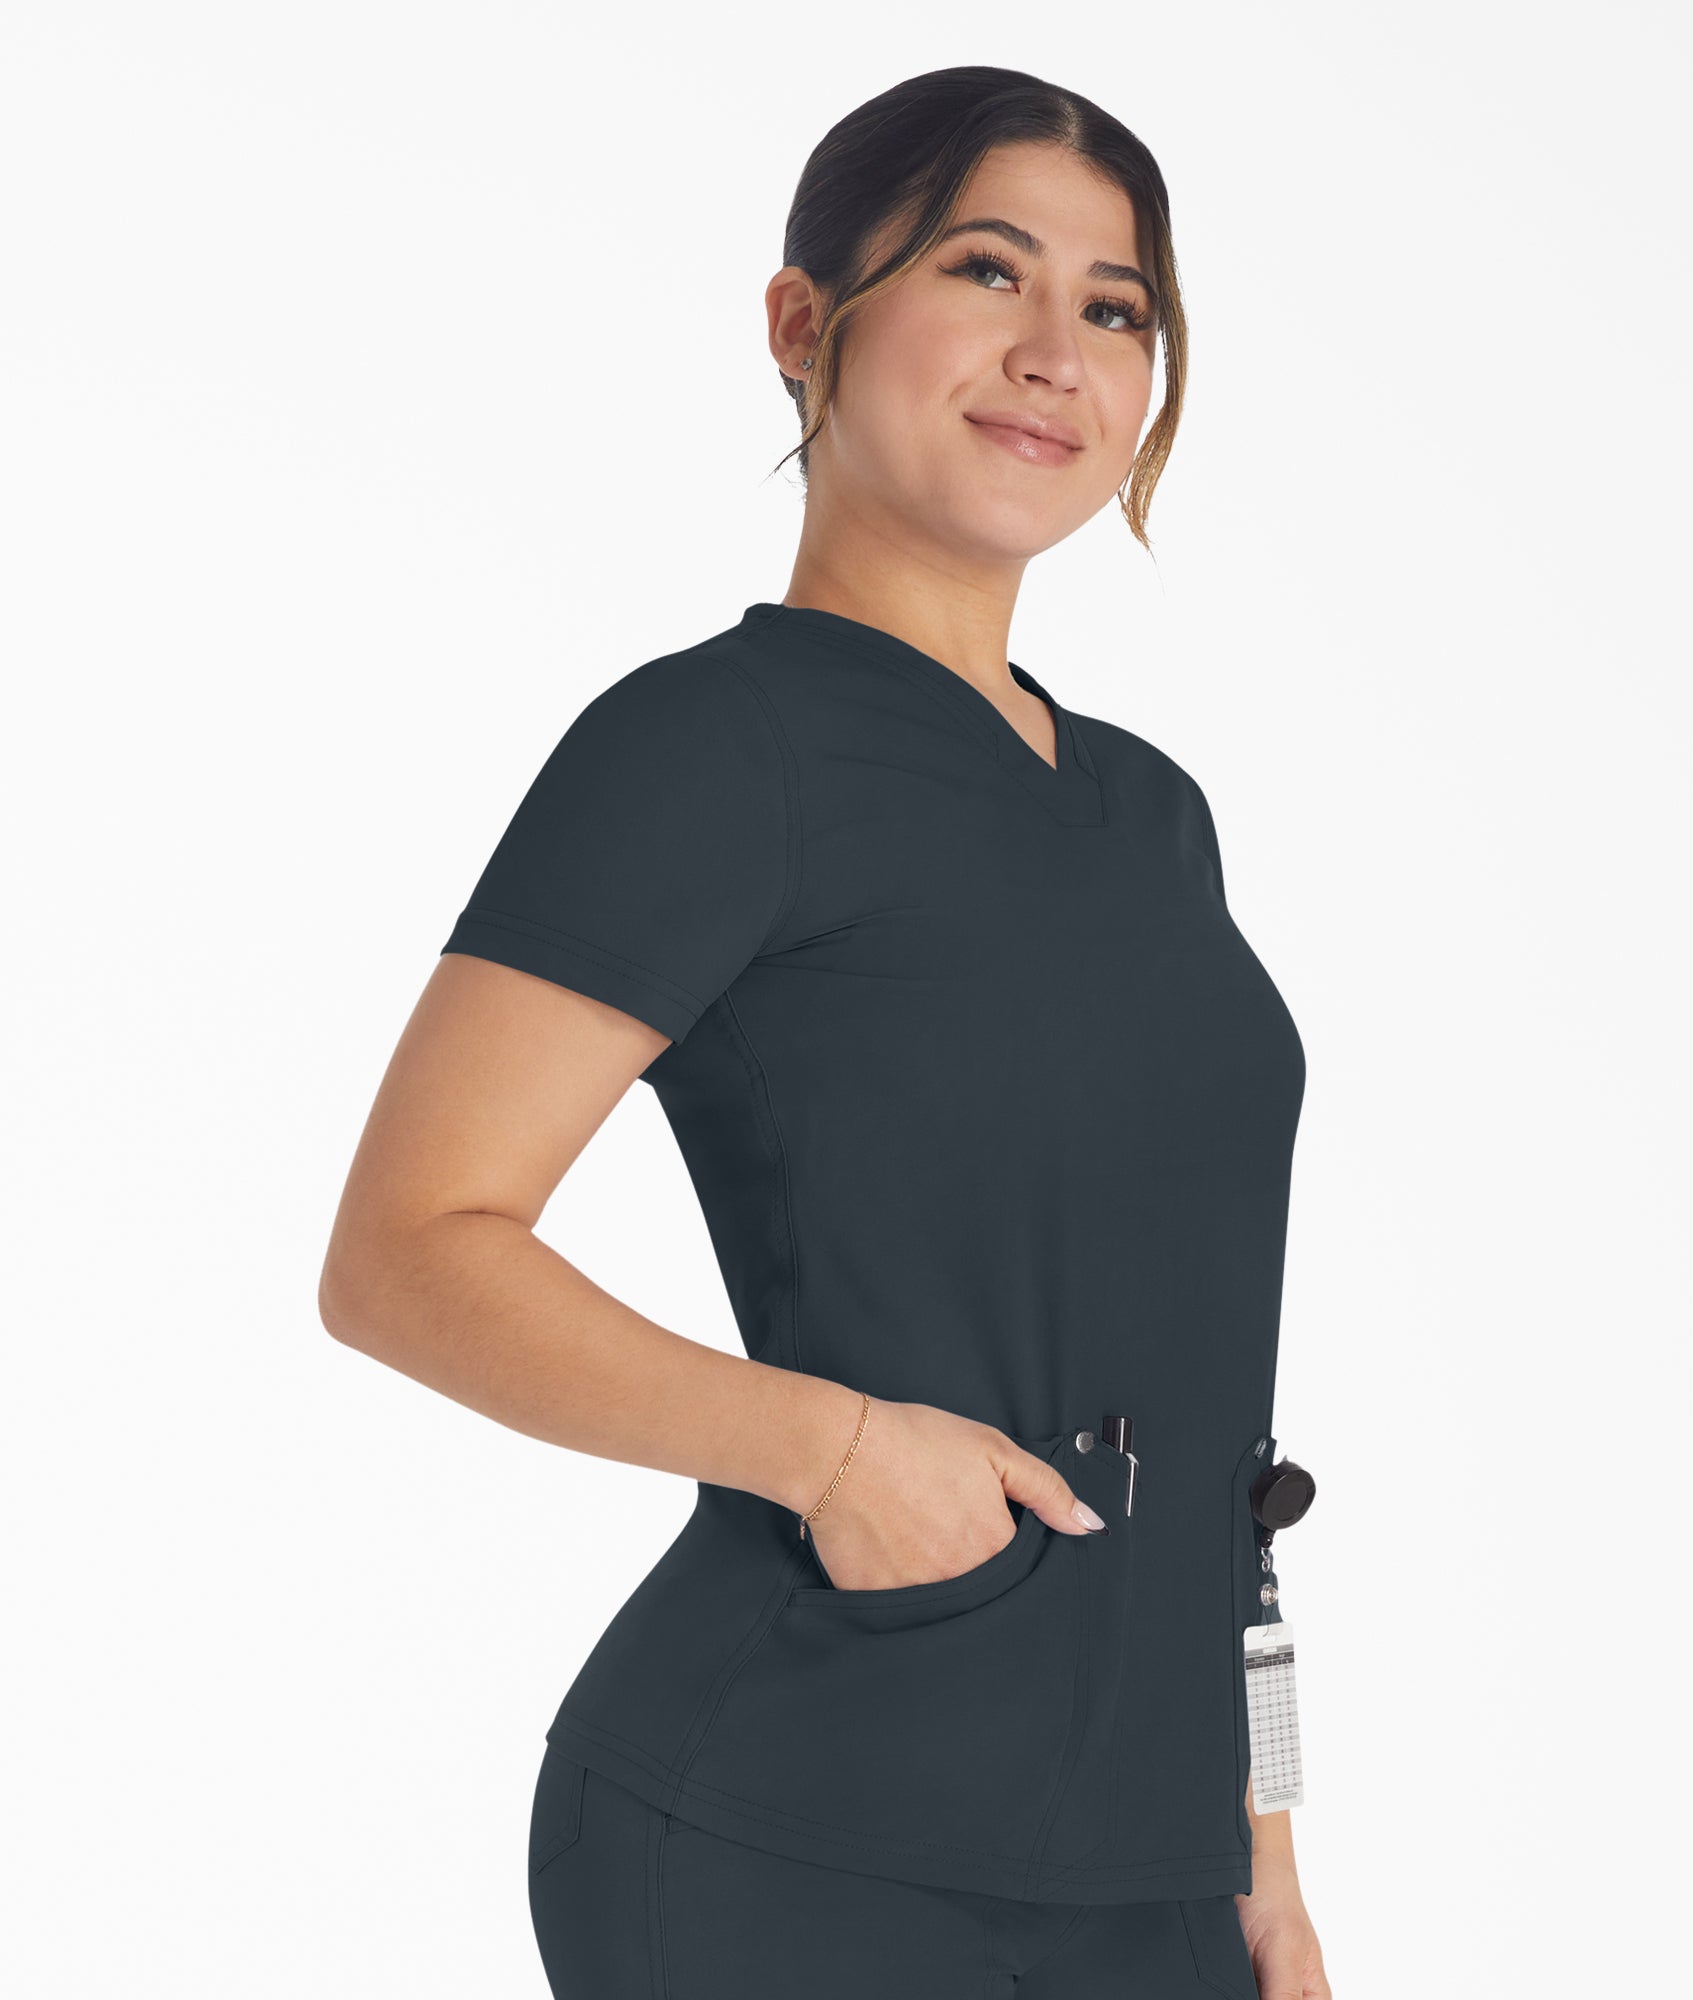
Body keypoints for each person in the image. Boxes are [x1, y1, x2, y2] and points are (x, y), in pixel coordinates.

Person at [320, 63, 1332, 2000]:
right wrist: (837, 1450)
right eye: (985, 269)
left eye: (1116, 307)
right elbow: (404, 1252)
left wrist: (1264, 1843)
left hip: (1153, 1860)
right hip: (798, 1826)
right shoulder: (712, 747)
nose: (1055, 354)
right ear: (805, 324)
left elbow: (1198, 1375)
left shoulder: (1150, 812)